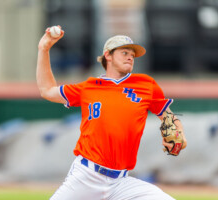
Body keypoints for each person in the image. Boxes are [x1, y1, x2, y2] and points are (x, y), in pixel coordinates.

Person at [36, 26, 187, 200]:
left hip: (121, 182)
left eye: (132, 54)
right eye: (124, 52)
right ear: (108, 55)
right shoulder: (88, 87)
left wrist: (179, 133)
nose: (130, 56)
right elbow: (47, 90)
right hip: (87, 177)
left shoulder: (146, 85)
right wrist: (44, 49)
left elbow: (168, 116)